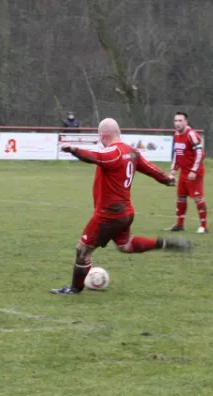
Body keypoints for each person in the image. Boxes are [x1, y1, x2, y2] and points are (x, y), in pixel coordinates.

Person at [50, 118, 192, 296]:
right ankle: (163, 244)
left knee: (82, 250)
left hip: (108, 214)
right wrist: (166, 179)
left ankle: (74, 289)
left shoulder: (113, 153)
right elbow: (150, 168)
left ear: (102, 136)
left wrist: (73, 149)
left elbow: (95, 157)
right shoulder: (131, 152)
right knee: (125, 245)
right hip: (125, 212)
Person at [165, 112, 208, 233]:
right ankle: (179, 225)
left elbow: (200, 154)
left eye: (180, 121)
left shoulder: (192, 135)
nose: (177, 123)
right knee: (181, 197)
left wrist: (194, 170)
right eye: (176, 121)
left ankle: (203, 227)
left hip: (195, 172)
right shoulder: (176, 135)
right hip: (184, 172)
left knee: (197, 198)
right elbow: (177, 153)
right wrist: (173, 169)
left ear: (186, 122)